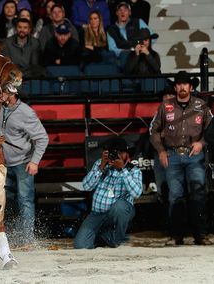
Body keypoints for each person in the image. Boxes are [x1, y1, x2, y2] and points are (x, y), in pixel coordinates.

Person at [149, 71, 213, 246]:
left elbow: (211, 129)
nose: (182, 87)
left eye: (185, 84)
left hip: (195, 155)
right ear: (175, 87)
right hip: (173, 155)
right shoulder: (165, 106)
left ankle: (200, 235)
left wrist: (202, 143)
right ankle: (176, 236)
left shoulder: (202, 106)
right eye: (179, 84)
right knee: (175, 196)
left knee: (198, 195)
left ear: (191, 87)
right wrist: (161, 151)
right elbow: (153, 130)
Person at [0, 83, 49, 246]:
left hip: (22, 162)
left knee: (24, 199)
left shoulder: (25, 112)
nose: (0, 95)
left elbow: (42, 138)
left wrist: (34, 161)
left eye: (3, 92)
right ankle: (9, 235)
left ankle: (27, 239)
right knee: (6, 200)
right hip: (3, 162)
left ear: (11, 94)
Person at [73, 136, 142, 249]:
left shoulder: (133, 171)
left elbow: (137, 194)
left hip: (116, 214)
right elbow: (86, 186)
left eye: (119, 152)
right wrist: (101, 168)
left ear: (125, 154)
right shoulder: (100, 164)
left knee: (120, 206)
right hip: (97, 214)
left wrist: (122, 170)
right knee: (80, 245)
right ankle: (103, 237)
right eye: (112, 153)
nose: (115, 156)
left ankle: (117, 240)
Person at [106, 1, 153, 71]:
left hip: (139, 55)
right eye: (120, 10)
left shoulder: (138, 22)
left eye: (125, 10)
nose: (123, 12)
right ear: (116, 13)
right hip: (122, 58)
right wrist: (127, 51)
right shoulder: (111, 29)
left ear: (130, 12)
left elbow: (151, 37)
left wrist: (142, 48)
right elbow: (112, 49)